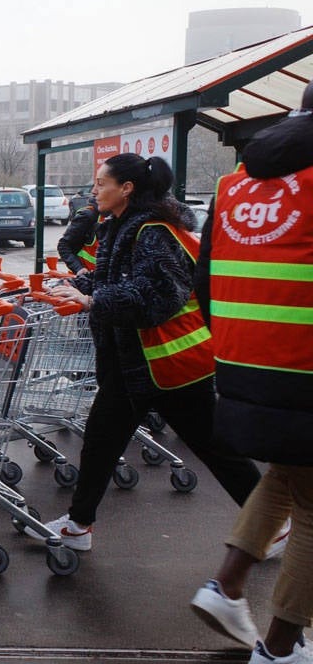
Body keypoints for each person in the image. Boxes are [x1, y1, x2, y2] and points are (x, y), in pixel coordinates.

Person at [35, 153, 261, 551]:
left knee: (215, 449)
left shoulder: (152, 232)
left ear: (127, 189)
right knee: (102, 441)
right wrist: (78, 288)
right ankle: (78, 525)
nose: (94, 190)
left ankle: (271, 527)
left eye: (101, 183)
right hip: (138, 365)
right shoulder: (122, 226)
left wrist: (92, 302)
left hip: (167, 364)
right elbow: (116, 282)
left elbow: (157, 297)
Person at [188, 90, 313, 663]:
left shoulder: (235, 180)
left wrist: (238, 346)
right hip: (304, 362)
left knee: (288, 476)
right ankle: (281, 647)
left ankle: (227, 586)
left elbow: (204, 276)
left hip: (244, 360)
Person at [56, 194, 101, 274]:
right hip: (85, 280)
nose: (94, 190)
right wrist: (79, 268)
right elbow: (64, 246)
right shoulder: (89, 216)